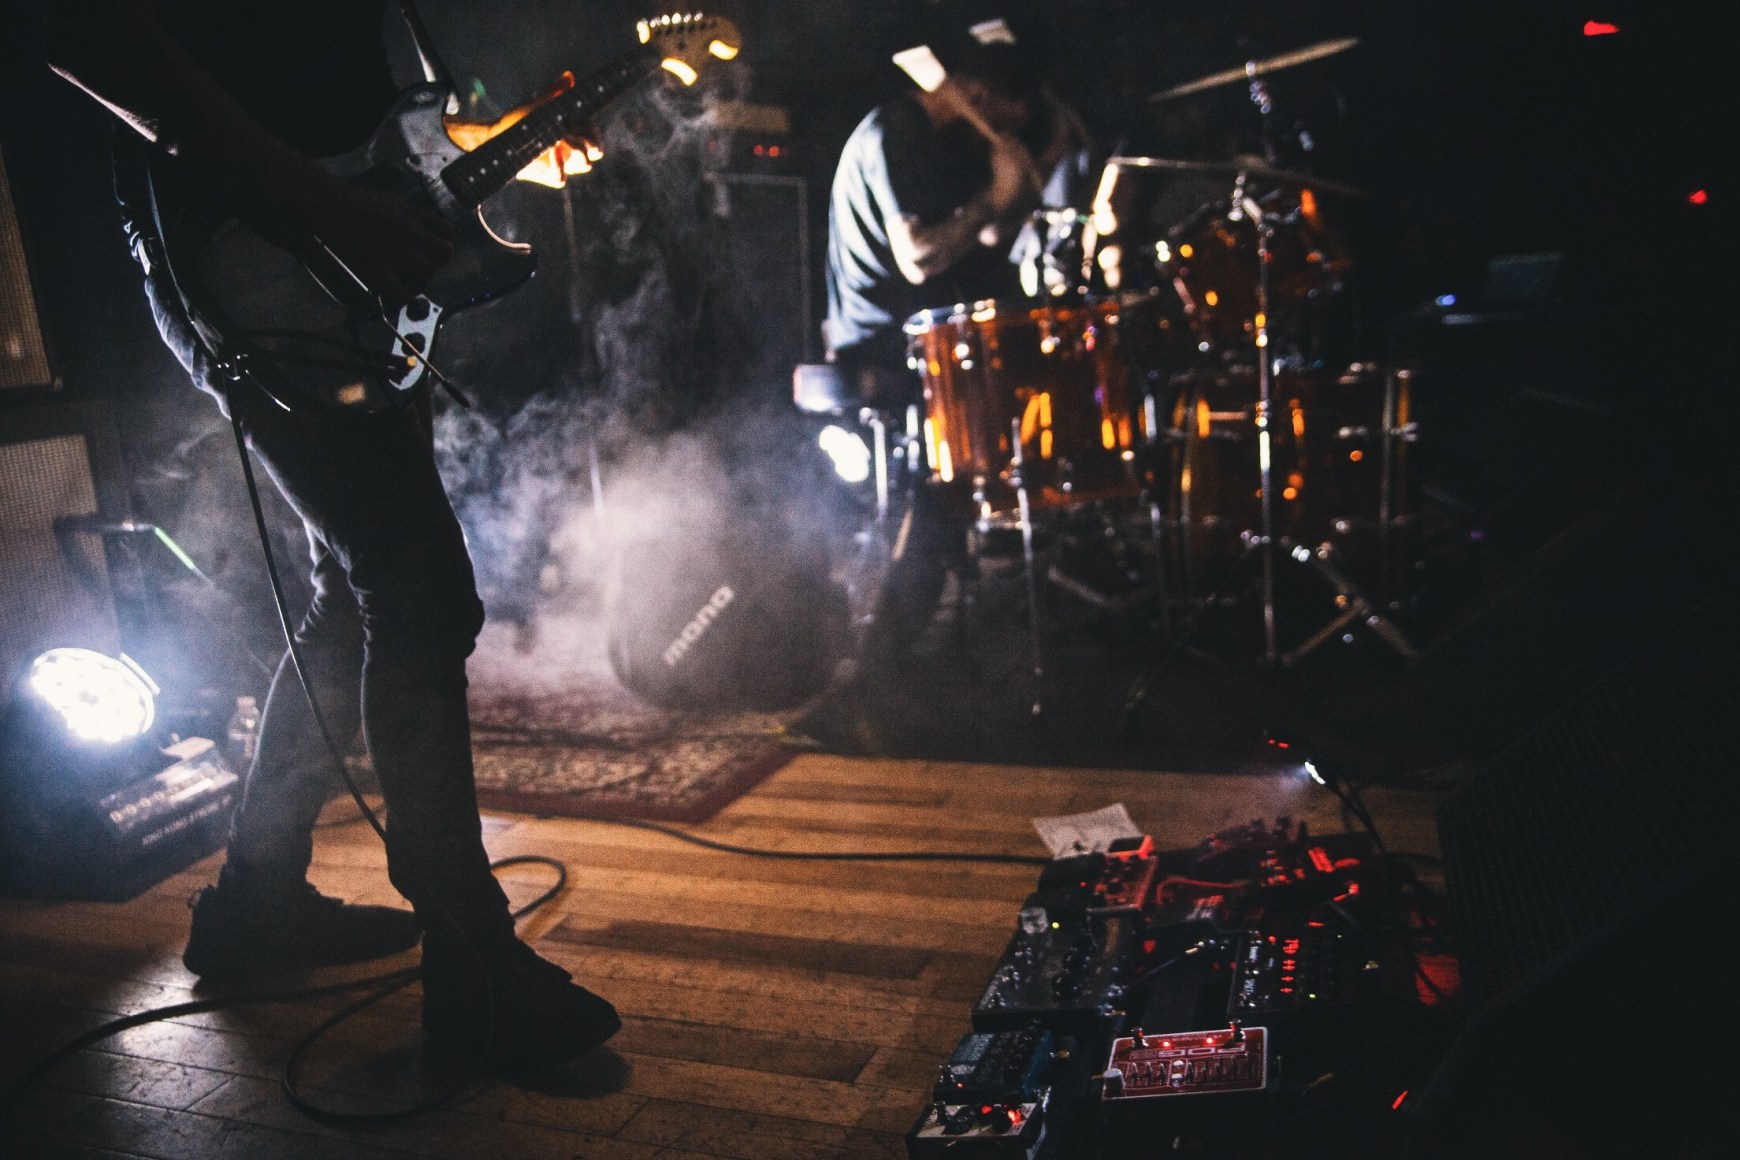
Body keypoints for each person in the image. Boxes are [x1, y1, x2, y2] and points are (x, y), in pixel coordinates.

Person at [44, 0, 619, 1072]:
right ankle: (471, 970)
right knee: (420, 591)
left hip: (324, 250)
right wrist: (332, 211)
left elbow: (370, 128)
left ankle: (256, 901)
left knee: (355, 592)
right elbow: (89, 39)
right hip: (250, 255)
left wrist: (499, 147)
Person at [823, 34, 1091, 404]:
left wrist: (1030, 180)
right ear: (978, 98)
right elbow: (919, 257)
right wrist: (995, 195)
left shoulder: (937, 139)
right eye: (999, 125)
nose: (999, 138)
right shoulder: (899, 131)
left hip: (907, 336)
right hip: (879, 342)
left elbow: (985, 233)